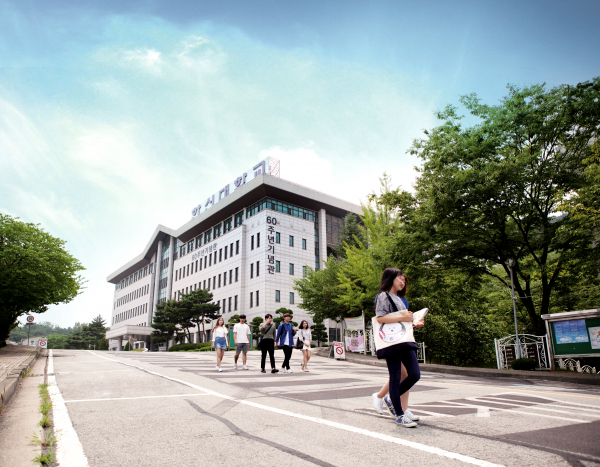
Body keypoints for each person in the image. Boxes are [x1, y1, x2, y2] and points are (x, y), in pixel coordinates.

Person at [372, 274, 424, 422]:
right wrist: (404, 318)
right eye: (399, 279)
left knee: (413, 374)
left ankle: (392, 400)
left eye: (404, 280)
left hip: (404, 339)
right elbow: (380, 318)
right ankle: (400, 412)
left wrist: (415, 323)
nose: (403, 282)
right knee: (397, 376)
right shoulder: (383, 296)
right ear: (390, 279)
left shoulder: (402, 300)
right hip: (391, 340)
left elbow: (403, 323)